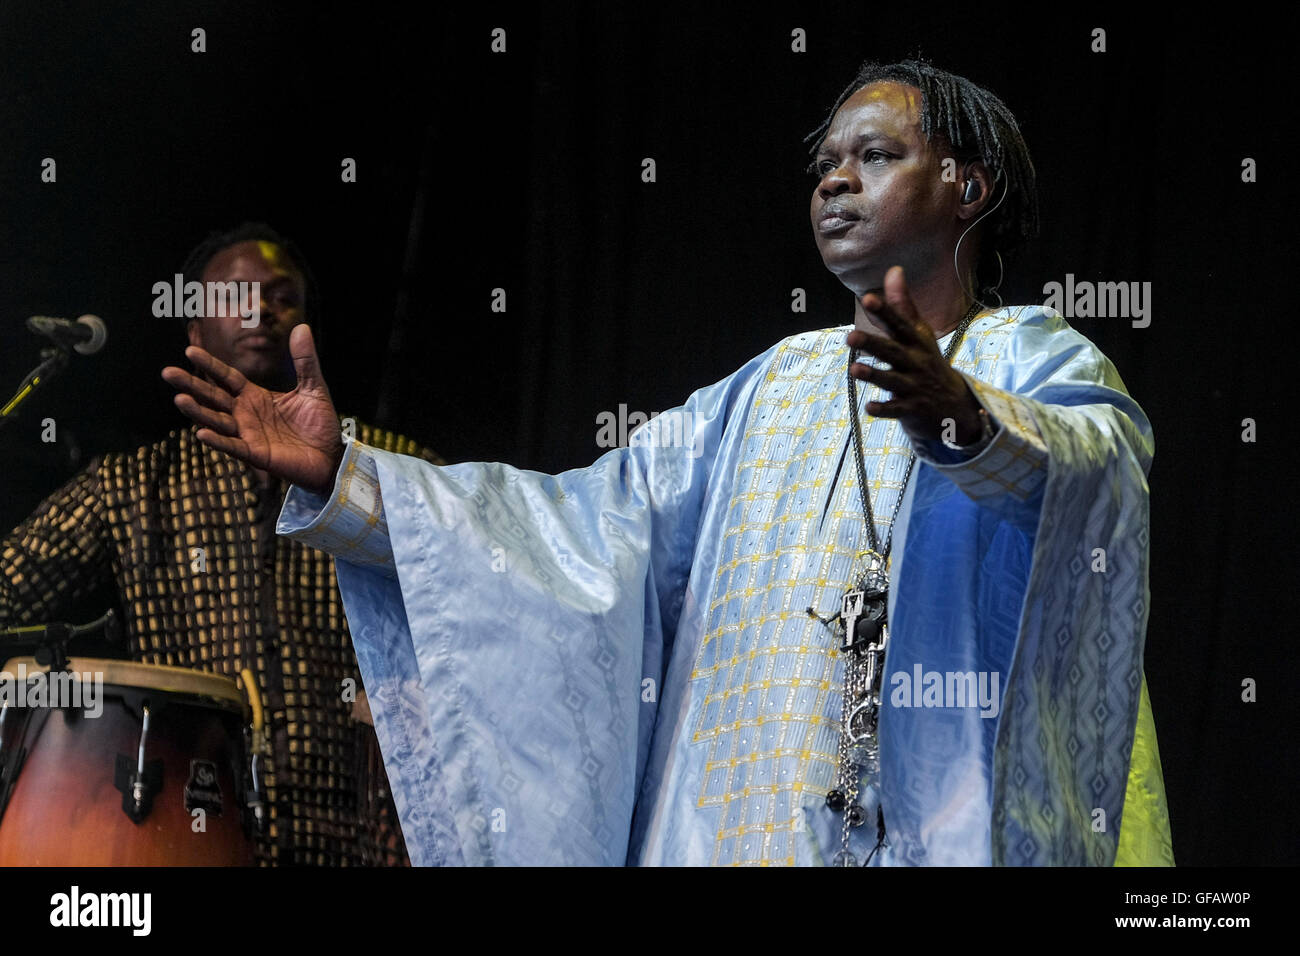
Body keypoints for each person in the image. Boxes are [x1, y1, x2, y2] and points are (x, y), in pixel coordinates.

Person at [163, 62, 1174, 866]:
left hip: (947, 817)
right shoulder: (764, 388)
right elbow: (580, 529)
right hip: (748, 829)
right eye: (824, 162)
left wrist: (962, 418)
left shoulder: (1035, 357)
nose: (832, 178)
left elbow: (1096, 476)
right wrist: (351, 476)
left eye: (873, 154)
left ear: (968, 186)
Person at [1, 223, 443, 865]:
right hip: (184, 836)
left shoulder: (392, 469)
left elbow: (483, 602)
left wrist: (343, 476)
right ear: (194, 332)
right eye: (234, 295)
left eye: (280, 296)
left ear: (306, 326)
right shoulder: (129, 486)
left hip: (370, 841)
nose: (260, 309)